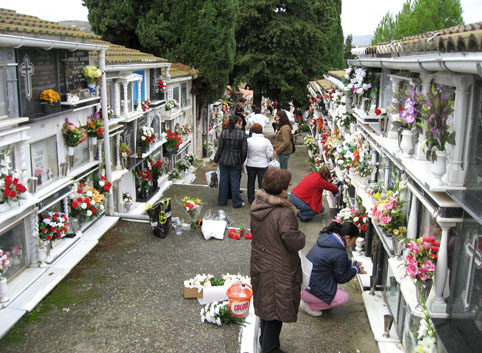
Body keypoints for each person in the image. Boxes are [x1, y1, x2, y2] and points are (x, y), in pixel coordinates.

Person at [250, 168, 305, 353]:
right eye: (287, 186)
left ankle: (265, 340)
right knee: (275, 309)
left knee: (267, 304)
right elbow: (293, 241)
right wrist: (301, 237)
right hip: (278, 266)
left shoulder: (258, 205)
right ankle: (270, 348)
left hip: (261, 261)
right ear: (282, 189)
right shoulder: (283, 213)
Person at [299, 221, 365, 317]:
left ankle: (309, 299)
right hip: (310, 289)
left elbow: (332, 261)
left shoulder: (327, 238)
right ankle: (309, 305)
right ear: (347, 238)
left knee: (331, 296)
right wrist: (355, 269)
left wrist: (351, 264)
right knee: (343, 298)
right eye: (354, 241)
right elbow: (341, 278)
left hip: (302, 283)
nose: (353, 244)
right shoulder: (340, 253)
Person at [212, 115, 247, 208]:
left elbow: (220, 148)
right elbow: (244, 151)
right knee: (235, 181)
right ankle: (237, 203)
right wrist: (241, 161)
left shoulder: (224, 133)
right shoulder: (242, 134)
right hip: (236, 159)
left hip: (224, 158)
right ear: (237, 122)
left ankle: (222, 201)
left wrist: (215, 160)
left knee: (223, 180)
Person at [246, 123, 273, 204]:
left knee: (250, 181)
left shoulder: (248, 140)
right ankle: (262, 199)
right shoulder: (266, 141)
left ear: (252, 130)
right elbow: (269, 154)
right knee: (262, 182)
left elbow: (245, 152)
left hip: (250, 163)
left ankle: (251, 199)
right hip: (263, 164)